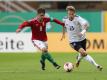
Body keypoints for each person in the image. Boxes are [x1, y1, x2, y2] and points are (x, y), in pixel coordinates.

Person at [61, 5, 103, 71]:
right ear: (67, 13)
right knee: (84, 53)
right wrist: (63, 33)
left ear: (74, 13)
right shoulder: (64, 19)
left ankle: (78, 60)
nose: (71, 16)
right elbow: (63, 25)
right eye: (69, 14)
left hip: (82, 39)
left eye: (72, 14)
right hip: (73, 41)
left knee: (82, 54)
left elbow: (86, 25)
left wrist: (82, 32)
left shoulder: (78, 18)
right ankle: (97, 65)